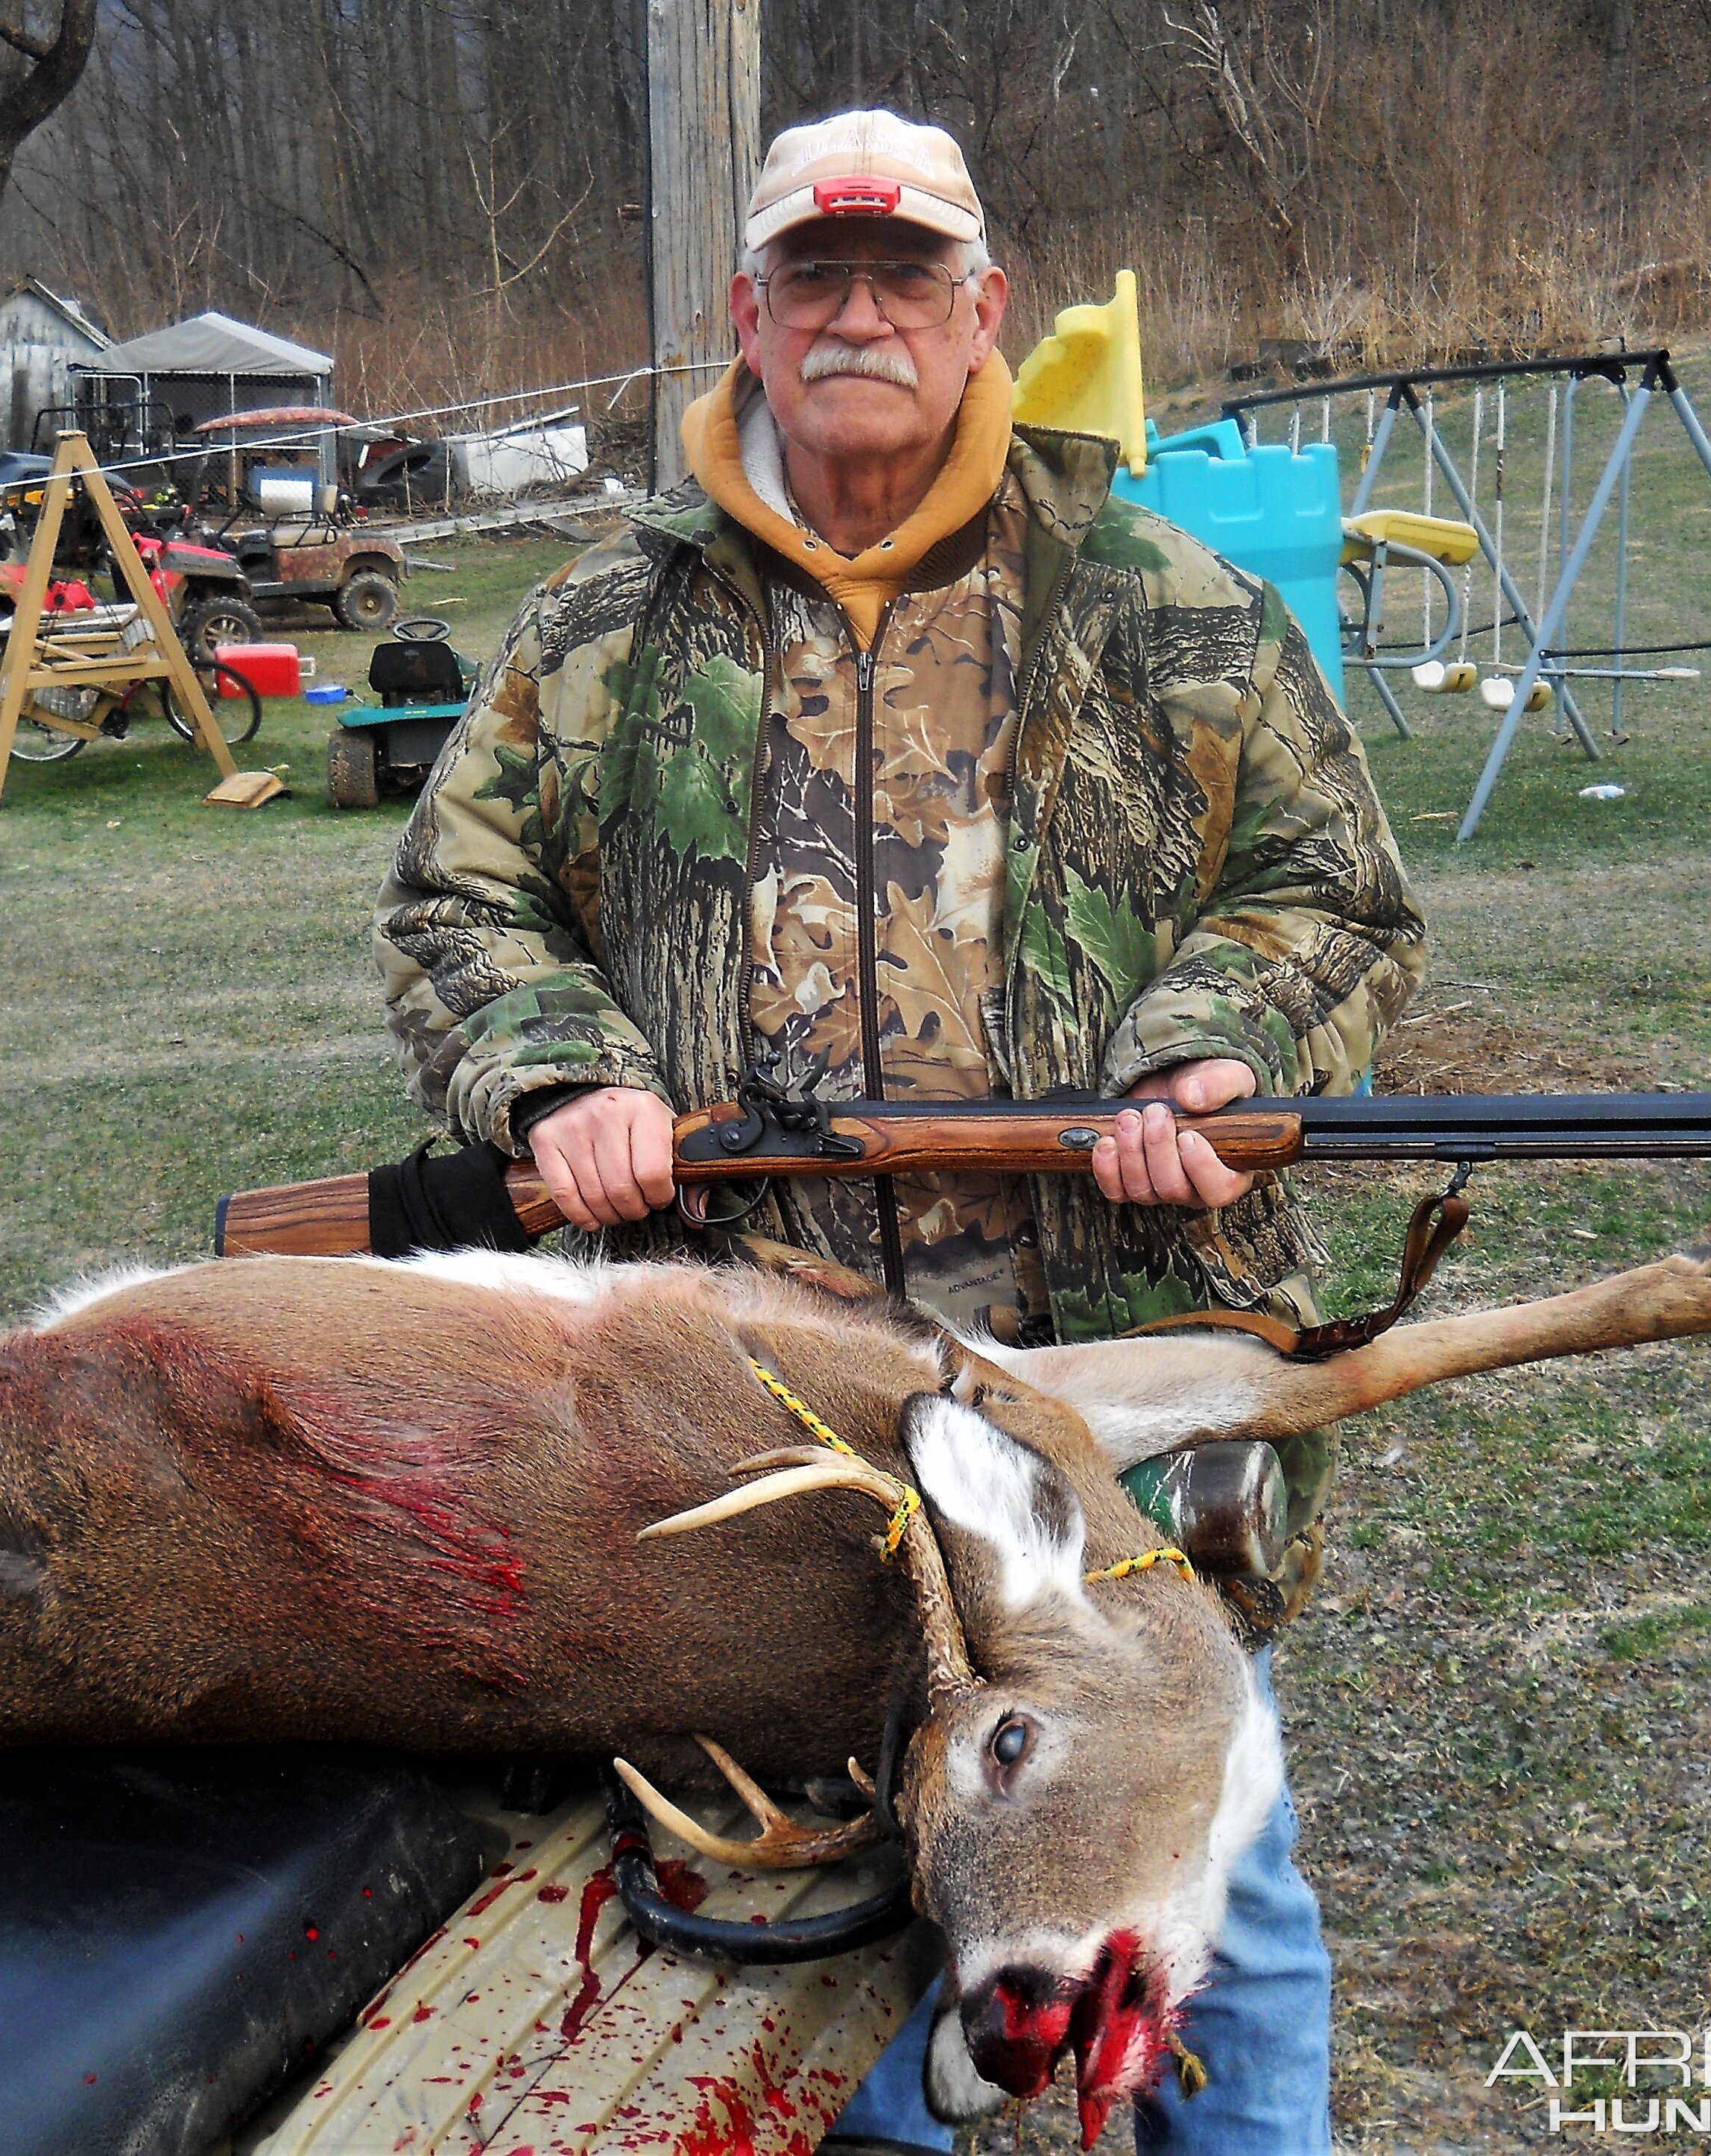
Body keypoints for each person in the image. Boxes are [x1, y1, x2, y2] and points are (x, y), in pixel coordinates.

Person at [378, 107, 1426, 2155]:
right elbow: (456, 899)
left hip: (1084, 1373)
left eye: (906, 278)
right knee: (782, 1875)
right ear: (748, 317)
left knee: (1212, 1857)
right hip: (733, 1396)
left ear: (984, 317)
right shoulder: (602, 625)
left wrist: (1204, 1058)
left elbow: (1328, 888)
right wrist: (560, 1079)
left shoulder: (1150, 594)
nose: (860, 315)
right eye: (816, 279)